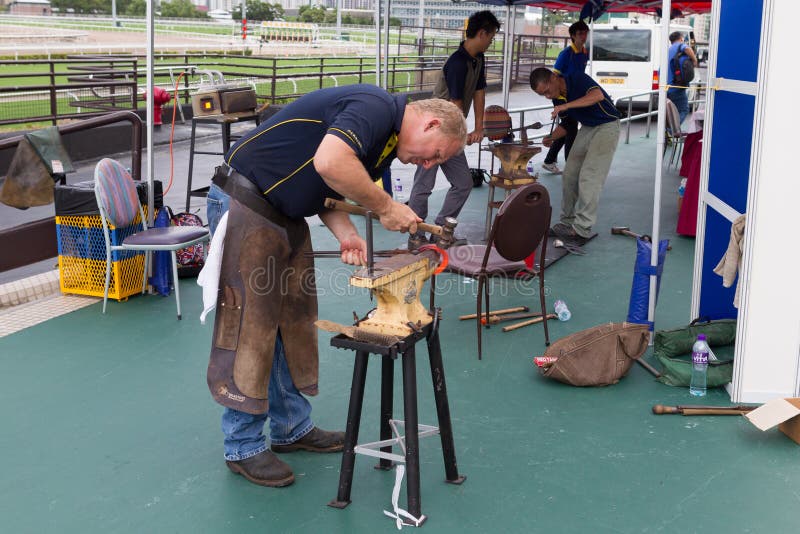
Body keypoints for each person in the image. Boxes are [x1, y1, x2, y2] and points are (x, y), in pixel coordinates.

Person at [204, 84, 467, 488]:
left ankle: (291, 427)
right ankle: (242, 445)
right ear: (430, 123)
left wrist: (346, 234)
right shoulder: (375, 108)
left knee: (291, 322)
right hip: (246, 201)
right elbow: (330, 161)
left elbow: (332, 191)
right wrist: (385, 206)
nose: (428, 165)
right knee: (250, 328)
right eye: (435, 153)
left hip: (283, 213)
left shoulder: (382, 145)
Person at [407, 10, 500, 247]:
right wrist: (463, 134)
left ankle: (440, 230)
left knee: (463, 183)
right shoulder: (457, 62)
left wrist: (478, 128)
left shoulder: (478, 58)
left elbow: (479, 93)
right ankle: (416, 235)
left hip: (452, 132)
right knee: (424, 184)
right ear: (481, 33)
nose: (491, 42)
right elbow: (455, 104)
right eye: (491, 37)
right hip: (433, 133)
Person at [529, 67, 621, 245]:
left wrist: (566, 105)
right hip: (587, 127)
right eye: (543, 95)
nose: (548, 96)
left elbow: (597, 96)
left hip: (607, 126)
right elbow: (568, 124)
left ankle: (582, 229)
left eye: (547, 91)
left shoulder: (576, 77)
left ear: (554, 78)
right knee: (570, 174)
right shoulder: (557, 98)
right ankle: (567, 222)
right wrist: (551, 137)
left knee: (590, 176)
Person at [540, 20, 590, 175]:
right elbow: (554, 76)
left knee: (568, 127)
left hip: (574, 96)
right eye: (580, 33)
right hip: (561, 97)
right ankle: (570, 164)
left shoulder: (584, 53)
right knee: (571, 126)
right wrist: (555, 97)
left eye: (585, 33)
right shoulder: (566, 54)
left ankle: (549, 160)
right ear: (573, 36)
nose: (583, 36)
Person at [666, 31, 698, 125]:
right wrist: (694, 60)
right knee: (684, 109)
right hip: (677, 87)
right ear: (681, 39)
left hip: (667, 88)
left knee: (670, 112)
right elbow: (687, 49)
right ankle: (672, 130)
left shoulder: (668, 50)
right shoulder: (680, 46)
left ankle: (668, 130)